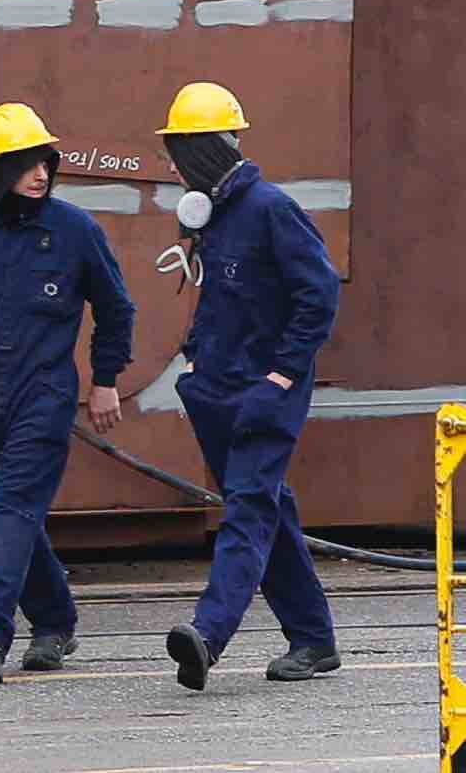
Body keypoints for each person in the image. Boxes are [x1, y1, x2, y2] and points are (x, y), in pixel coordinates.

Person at [0, 101, 136, 684]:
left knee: (12, 505)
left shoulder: (74, 231)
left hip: (44, 396)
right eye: (25, 162)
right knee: (14, 513)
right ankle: (55, 620)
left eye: (45, 159)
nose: (40, 172)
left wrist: (105, 380)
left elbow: (116, 309)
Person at [156, 82, 341, 691]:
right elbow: (221, 302)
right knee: (268, 510)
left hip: (265, 393)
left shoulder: (270, 210)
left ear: (200, 152)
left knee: (247, 510)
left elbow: (319, 295)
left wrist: (280, 377)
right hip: (216, 389)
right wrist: (192, 367)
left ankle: (208, 635)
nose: (170, 167)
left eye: (175, 154)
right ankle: (313, 638)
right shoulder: (213, 216)